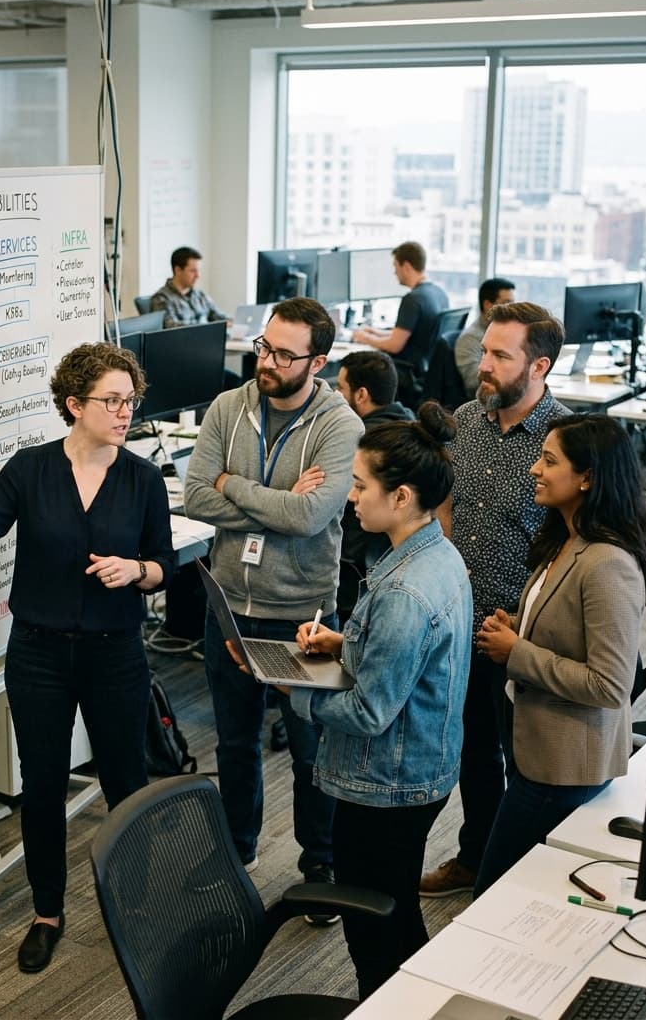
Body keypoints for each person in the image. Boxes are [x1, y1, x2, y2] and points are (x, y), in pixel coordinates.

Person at [0, 342, 175, 974]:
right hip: (38, 655)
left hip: (116, 653)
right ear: (74, 405)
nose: (124, 411)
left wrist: (135, 569)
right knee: (45, 784)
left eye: (129, 400)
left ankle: (136, 907)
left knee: (126, 781)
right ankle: (47, 913)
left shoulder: (140, 476)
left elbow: (164, 567)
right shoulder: (29, 470)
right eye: (111, 401)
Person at [287, 402, 472, 999]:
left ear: (401, 497)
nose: (349, 497)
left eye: (360, 486)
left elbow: (369, 713)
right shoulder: (436, 556)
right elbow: (413, 658)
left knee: (377, 927)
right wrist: (346, 642)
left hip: (384, 781)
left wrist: (295, 691)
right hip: (422, 767)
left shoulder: (405, 590)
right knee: (390, 910)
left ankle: (392, 1007)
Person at [183, 296, 362, 915]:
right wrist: (273, 496)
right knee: (234, 742)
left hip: (303, 614)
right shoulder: (228, 407)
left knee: (314, 746)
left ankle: (320, 863)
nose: (268, 361)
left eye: (285, 354)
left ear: (318, 361)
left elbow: (313, 517)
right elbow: (194, 497)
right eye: (265, 346)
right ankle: (239, 847)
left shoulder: (340, 425)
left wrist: (234, 486)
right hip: (230, 603)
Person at [420, 301, 570, 898]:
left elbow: (584, 539)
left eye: (500, 356)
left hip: (527, 633)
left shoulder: (566, 441)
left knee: (530, 764)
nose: (484, 364)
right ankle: (476, 858)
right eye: (484, 350)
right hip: (465, 624)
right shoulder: (466, 421)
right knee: (473, 753)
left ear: (540, 367)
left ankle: (527, 878)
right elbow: (449, 507)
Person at [473, 414, 646, 895]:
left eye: (549, 461)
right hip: (536, 746)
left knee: (494, 892)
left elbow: (610, 685)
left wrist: (518, 652)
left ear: (587, 477)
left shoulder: (608, 564)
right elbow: (565, 627)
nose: (535, 468)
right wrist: (520, 625)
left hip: (564, 765)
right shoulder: (566, 538)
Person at [335, 350, 414, 625]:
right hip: (391, 562)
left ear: (361, 395)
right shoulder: (408, 425)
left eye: (341, 388)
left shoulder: (362, 443)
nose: (335, 394)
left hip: (352, 564)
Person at [351, 241, 448, 408]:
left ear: (406, 266)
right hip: (426, 371)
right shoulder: (438, 293)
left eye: (395, 265)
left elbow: (395, 345)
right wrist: (375, 332)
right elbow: (414, 334)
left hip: (407, 372)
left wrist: (364, 338)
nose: (394, 272)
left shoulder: (413, 299)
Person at [454, 277, 517, 399]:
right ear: (488, 305)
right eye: (507, 303)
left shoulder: (508, 334)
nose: (512, 309)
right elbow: (472, 381)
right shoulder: (470, 338)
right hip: (486, 401)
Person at [150, 246, 229, 329]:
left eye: (198, 270)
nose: (198, 275)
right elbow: (171, 328)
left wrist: (234, 322)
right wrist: (206, 327)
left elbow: (219, 317)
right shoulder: (161, 299)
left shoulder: (200, 295)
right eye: (193, 271)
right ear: (178, 270)